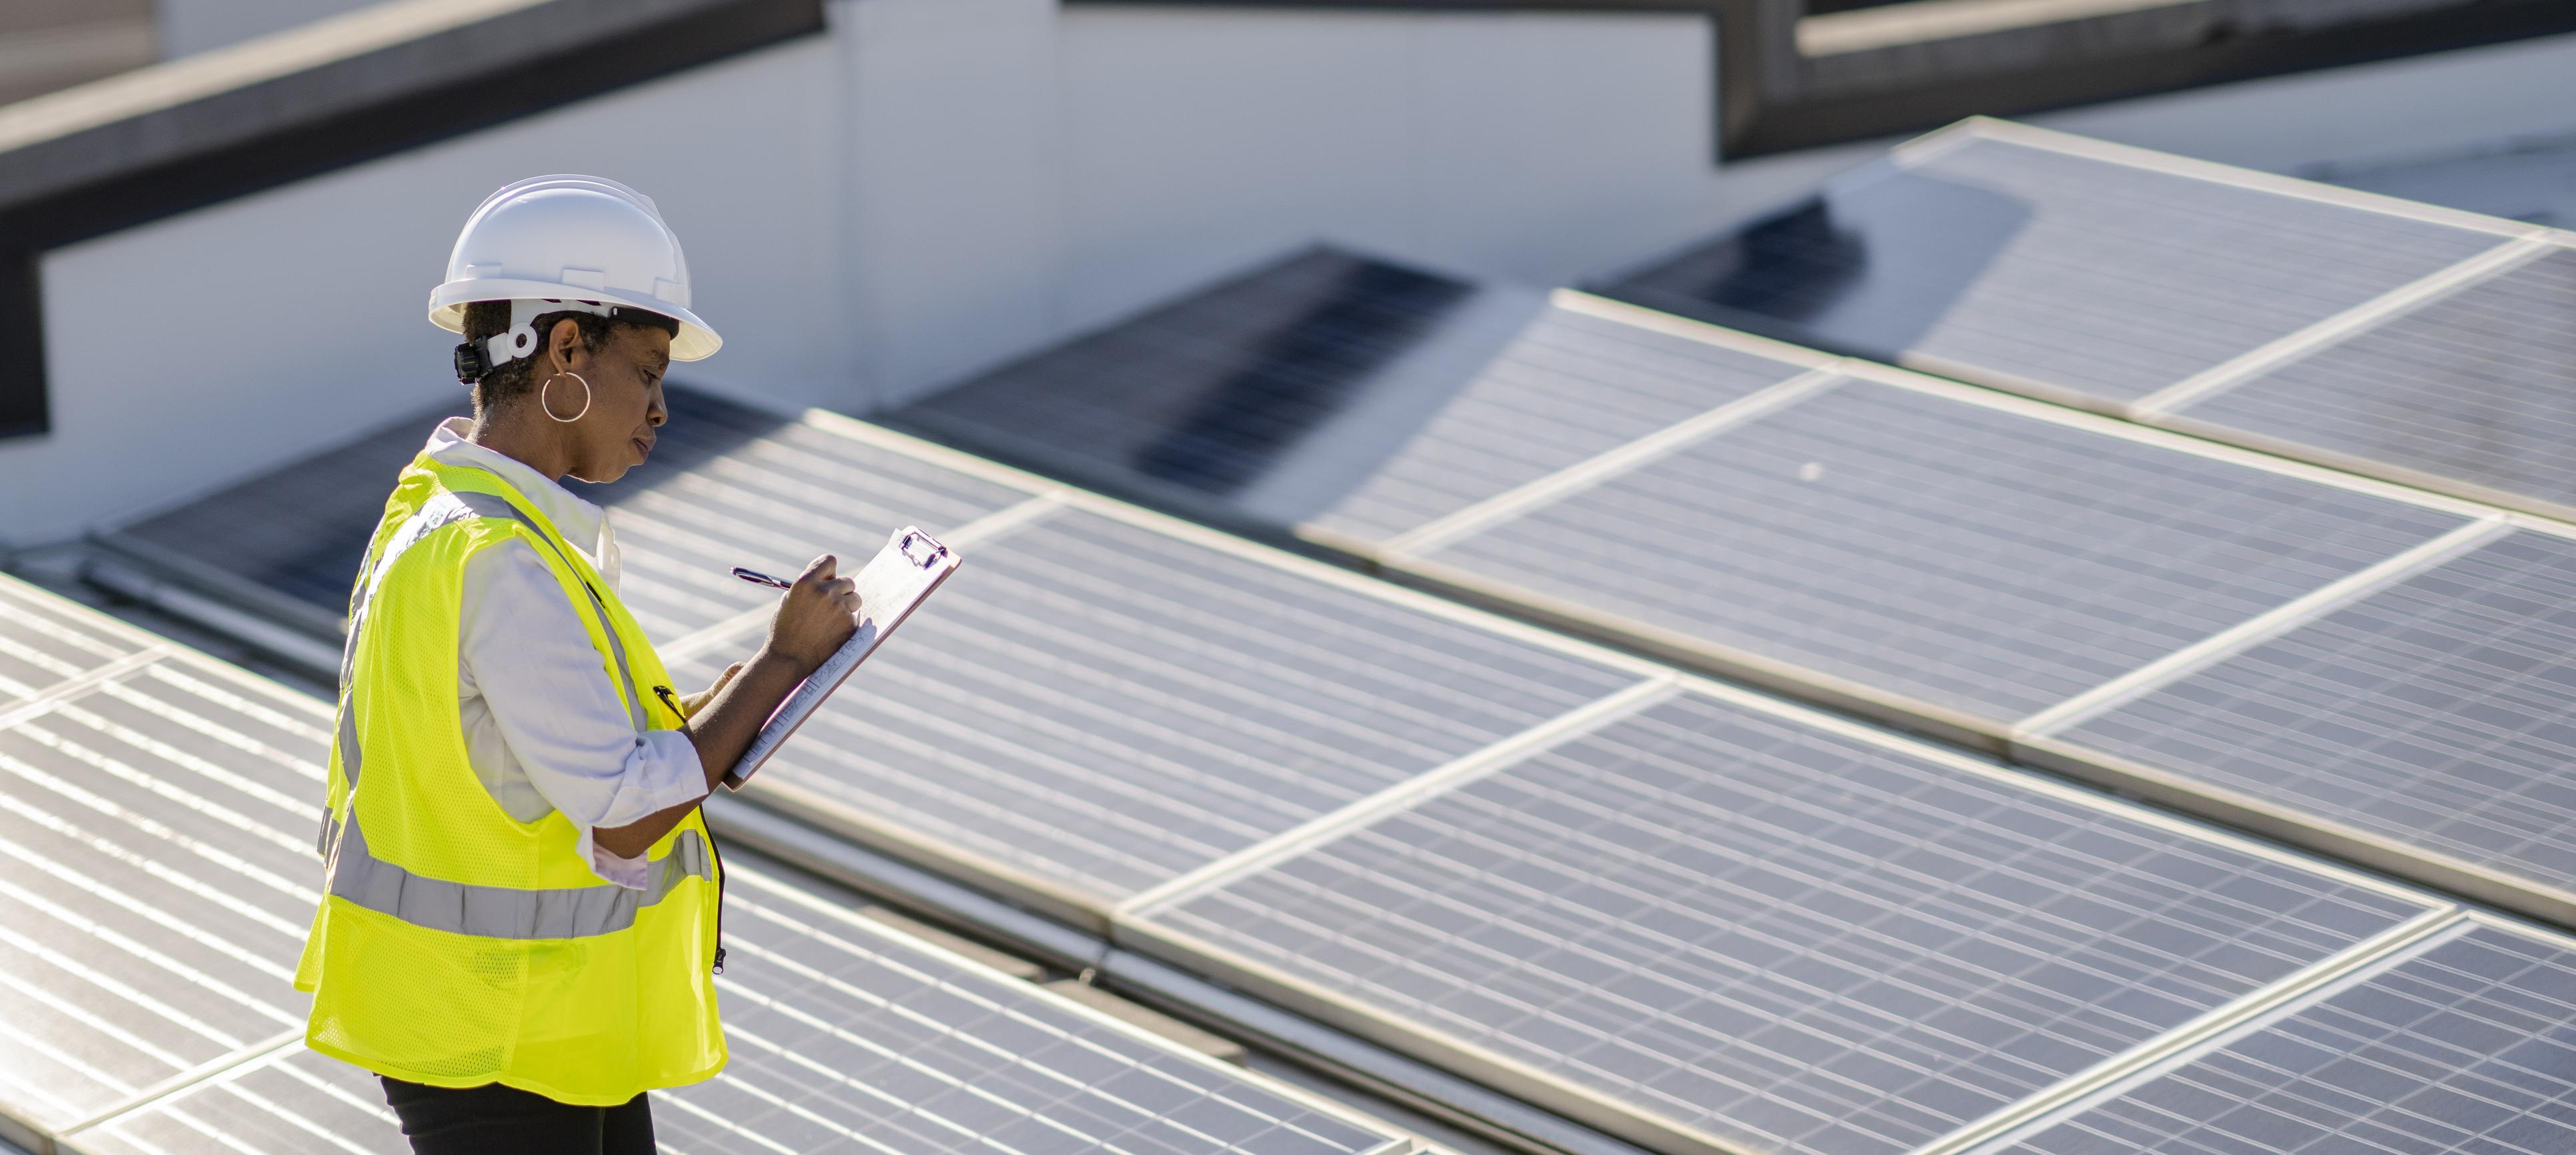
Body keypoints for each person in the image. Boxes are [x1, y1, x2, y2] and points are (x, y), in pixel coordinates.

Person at [291, 175, 858, 1154]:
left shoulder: (448, 521)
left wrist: (730, 697)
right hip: (498, 1034)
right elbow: (625, 808)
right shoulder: (501, 561)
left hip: (522, 1022)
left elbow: (543, 757)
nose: (661, 407)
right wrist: (777, 665)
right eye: (647, 369)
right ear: (563, 349)